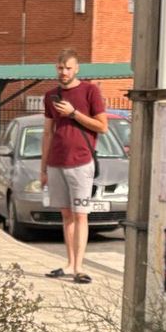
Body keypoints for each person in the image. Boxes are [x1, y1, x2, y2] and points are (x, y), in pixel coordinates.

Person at [40, 50, 108, 285]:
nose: (64, 72)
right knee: (66, 215)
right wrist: (43, 168)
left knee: (80, 215)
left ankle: (79, 267)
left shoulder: (90, 91)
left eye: (68, 67)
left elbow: (102, 126)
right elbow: (48, 132)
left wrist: (74, 113)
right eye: (60, 67)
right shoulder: (50, 96)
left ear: (77, 68)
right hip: (56, 162)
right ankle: (69, 264)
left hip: (81, 162)